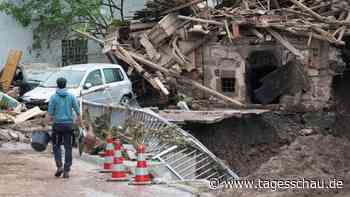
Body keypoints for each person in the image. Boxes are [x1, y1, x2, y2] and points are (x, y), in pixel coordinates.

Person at [48, 77, 80, 179]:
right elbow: (78, 112)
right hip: (69, 126)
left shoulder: (53, 97)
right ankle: (66, 170)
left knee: (56, 146)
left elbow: (50, 114)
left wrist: (44, 124)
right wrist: (80, 123)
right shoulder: (71, 96)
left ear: (57, 85)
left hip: (57, 126)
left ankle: (59, 166)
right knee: (68, 148)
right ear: (65, 85)